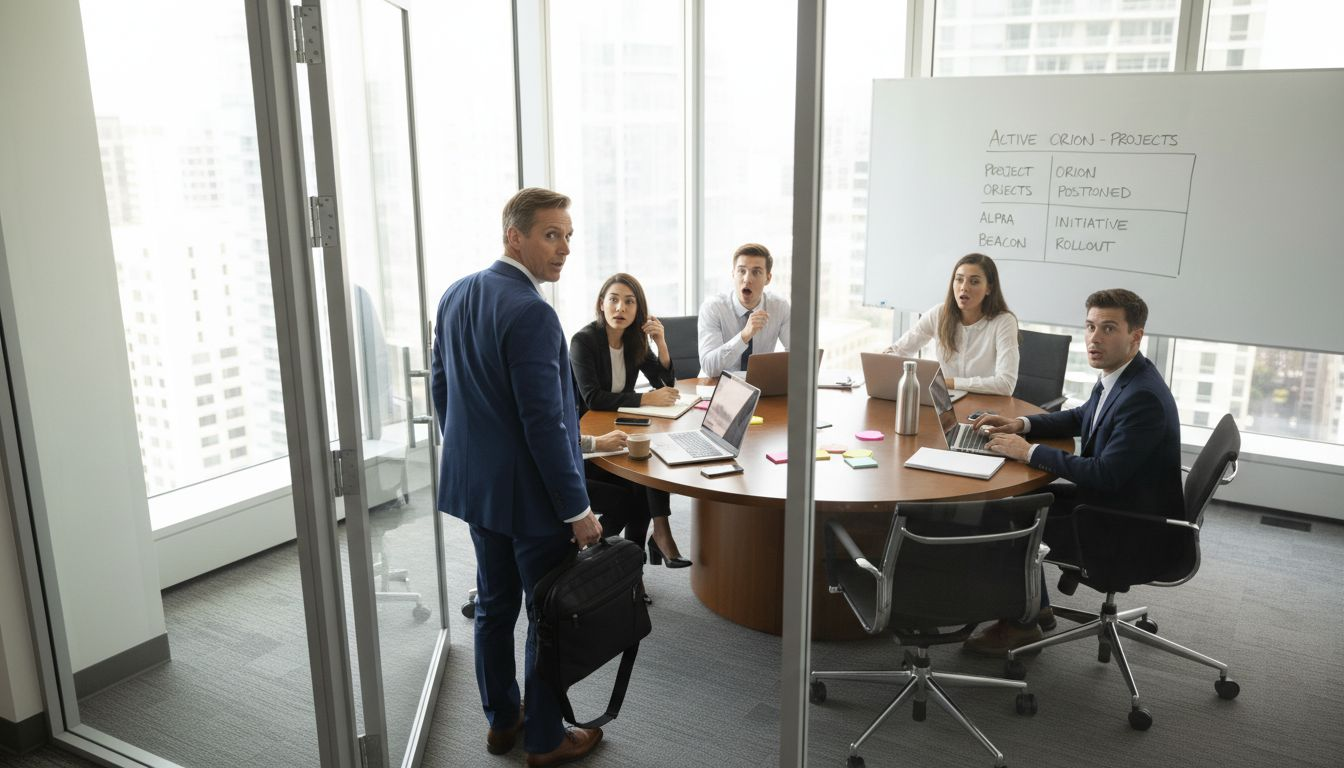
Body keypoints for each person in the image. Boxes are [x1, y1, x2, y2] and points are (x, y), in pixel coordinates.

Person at [430, 187, 603, 765]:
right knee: (546, 617)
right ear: (515, 237)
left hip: (479, 492)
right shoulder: (532, 311)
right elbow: (546, 424)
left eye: (569, 236)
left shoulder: (456, 294)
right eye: (551, 235)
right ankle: (546, 738)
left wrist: (471, 454)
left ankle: (503, 721)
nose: (564, 249)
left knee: (496, 605)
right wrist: (577, 510)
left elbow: (441, 389)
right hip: (531, 502)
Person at [963, 288, 1183, 655]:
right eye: (1090, 326)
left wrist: (1028, 452)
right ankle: (1036, 606)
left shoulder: (1142, 396)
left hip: (1126, 525)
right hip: (1115, 503)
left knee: (1003, 517)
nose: (1094, 338)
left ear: (1136, 336)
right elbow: (1084, 417)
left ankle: (1022, 624)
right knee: (1015, 499)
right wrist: (1021, 425)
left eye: (1109, 329)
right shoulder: (1124, 375)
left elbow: (1104, 474)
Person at [571, 273, 691, 568]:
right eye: (613, 300)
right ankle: (612, 561)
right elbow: (593, 398)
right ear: (601, 305)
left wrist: (660, 342)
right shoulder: (583, 341)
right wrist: (644, 399)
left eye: (629, 302)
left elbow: (664, 382)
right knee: (639, 486)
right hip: (587, 445)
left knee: (647, 467)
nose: (620, 308)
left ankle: (630, 567)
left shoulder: (634, 340)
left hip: (619, 435)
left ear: (639, 310)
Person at [885, 252, 1019, 395]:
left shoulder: (1004, 321)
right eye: (959, 279)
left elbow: (1005, 384)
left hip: (984, 408)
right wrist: (883, 360)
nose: (964, 287)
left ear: (989, 288)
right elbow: (900, 351)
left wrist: (948, 382)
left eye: (974, 282)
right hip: (946, 402)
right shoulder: (939, 314)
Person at [698, 243, 791, 377]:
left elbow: (798, 358)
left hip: (760, 386)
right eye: (741, 271)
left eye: (756, 272)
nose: (747, 279)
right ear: (733, 274)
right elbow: (709, 368)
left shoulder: (779, 307)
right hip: (715, 387)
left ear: (768, 278)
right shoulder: (713, 308)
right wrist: (744, 336)